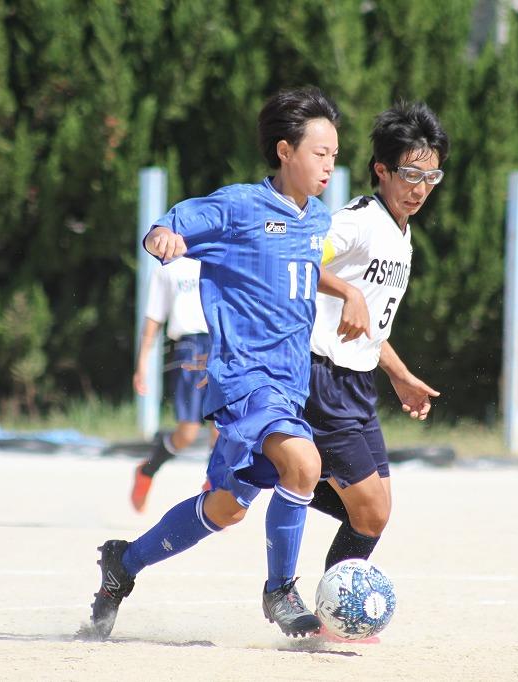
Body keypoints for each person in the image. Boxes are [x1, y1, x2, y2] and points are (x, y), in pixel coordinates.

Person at [90, 86, 340, 640]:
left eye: (334, 154)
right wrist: (164, 238)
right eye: (320, 153)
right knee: (304, 464)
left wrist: (351, 291)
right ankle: (280, 591)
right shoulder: (239, 207)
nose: (329, 164)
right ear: (284, 151)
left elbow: (300, 270)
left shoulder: (317, 218)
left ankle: (122, 564)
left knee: (224, 509)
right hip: (245, 379)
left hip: (288, 385)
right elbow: (170, 224)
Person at [306, 101, 448, 571]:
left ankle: (278, 472)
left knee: (376, 511)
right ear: (381, 170)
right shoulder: (360, 221)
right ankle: (276, 472)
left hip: (358, 384)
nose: (420, 189)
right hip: (323, 378)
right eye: (410, 175)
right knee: (371, 512)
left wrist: (401, 375)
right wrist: (346, 291)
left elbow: (373, 328)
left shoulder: (400, 235)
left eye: (431, 177)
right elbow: (302, 260)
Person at [130, 256, 218, 512]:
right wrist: (142, 364)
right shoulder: (169, 269)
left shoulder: (219, 257)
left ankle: (214, 491)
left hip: (219, 344)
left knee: (221, 429)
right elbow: (153, 318)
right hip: (188, 348)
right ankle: (148, 470)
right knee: (187, 433)